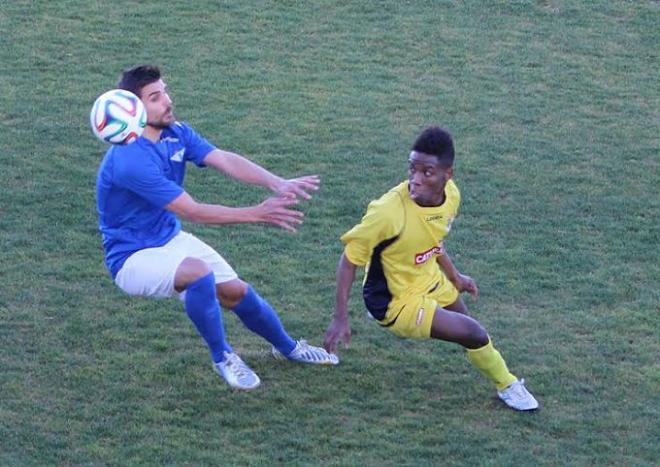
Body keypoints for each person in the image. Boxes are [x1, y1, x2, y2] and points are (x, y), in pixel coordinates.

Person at [96, 65, 338, 391]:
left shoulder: (176, 133)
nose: (168, 101)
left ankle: (289, 348)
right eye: (155, 97)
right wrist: (258, 213)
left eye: (165, 91)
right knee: (198, 273)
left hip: (168, 238)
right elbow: (193, 211)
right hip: (132, 257)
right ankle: (222, 356)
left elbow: (222, 158)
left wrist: (276, 182)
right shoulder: (131, 162)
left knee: (236, 292)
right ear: (134, 109)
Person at [323, 126, 538, 411]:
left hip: (427, 276)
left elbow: (432, 240)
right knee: (474, 333)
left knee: (468, 328)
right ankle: (508, 385)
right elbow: (349, 259)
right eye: (412, 169)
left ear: (447, 176)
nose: (415, 180)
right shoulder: (387, 213)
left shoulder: (452, 197)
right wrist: (340, 316)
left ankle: (503, 381)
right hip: (394, 301)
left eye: (427, 173)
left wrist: (455, 276)